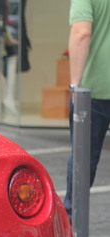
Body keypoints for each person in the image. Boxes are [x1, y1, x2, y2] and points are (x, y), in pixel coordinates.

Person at [64, 0, 110, 219]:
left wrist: (75, 85)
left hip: (96, 88)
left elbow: (81, 33)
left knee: (84, 157)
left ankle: (72, 221)